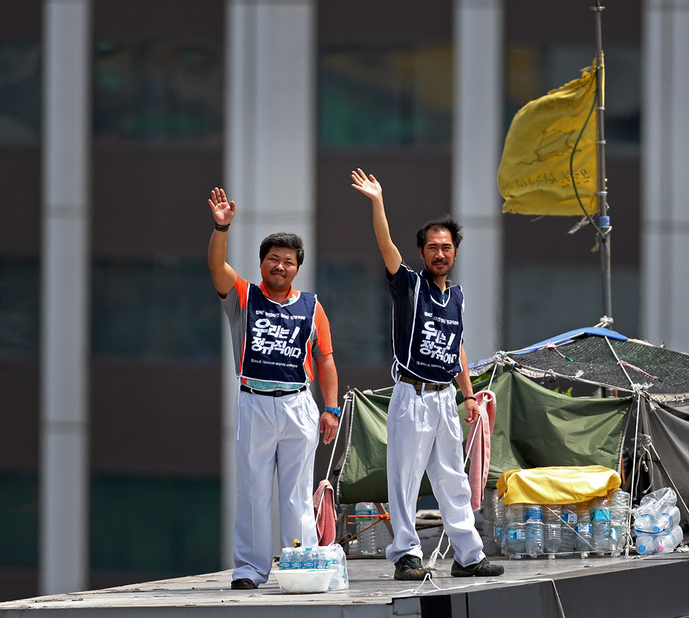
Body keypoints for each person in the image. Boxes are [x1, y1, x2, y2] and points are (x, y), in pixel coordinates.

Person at [351, 168, 505, 580]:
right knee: (404, 479)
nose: (441, 253)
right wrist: (378, 201)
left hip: (445, 399)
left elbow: (457, 347)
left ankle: (469, 555)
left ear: (455, 252)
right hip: (412, 395)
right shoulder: (409, 286)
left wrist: (469, 395)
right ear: (422, 252)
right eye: (433, 247)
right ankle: (406, 554)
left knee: (453, 479)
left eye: (447, 247)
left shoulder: (456, 295)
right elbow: (386, 246)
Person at [207, 187, 341, 590]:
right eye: (273, 259)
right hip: (255, 402)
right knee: (252, 489)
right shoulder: (246, 296)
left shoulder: (312, 306)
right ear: (262, 263)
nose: (280, 266)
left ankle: (299, 565)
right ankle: (250, 569)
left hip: (299, 403)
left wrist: (330, 408)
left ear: (298, 267)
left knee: (297, 493)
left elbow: (326, 359)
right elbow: (216, 267)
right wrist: (221, 226)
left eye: (288, 261)